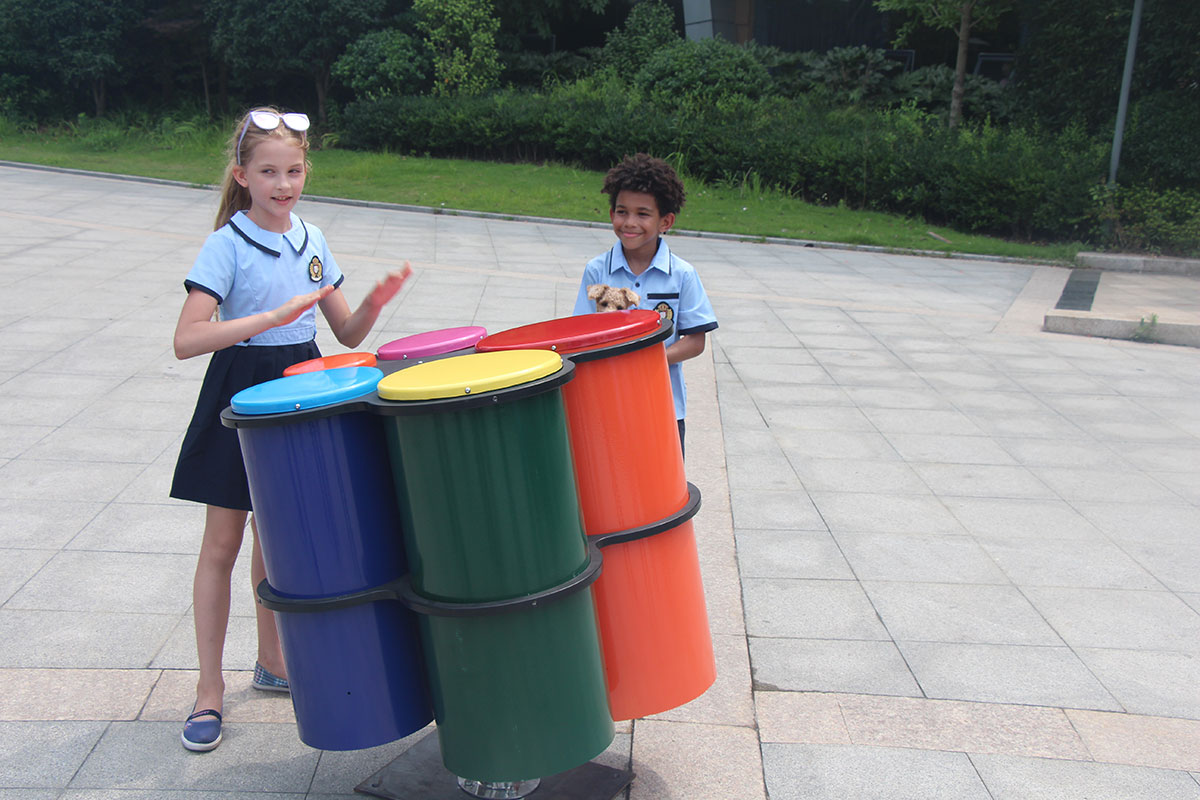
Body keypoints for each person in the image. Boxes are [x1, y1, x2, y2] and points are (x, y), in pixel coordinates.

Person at [169, 107, 412, 753]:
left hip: (302, 386)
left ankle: (273, 661)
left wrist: (375, 304)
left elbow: (348, 333)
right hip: (243, 387)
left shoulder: (312, 237)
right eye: (269, 171)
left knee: (275, 538)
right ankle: (209, 692)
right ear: (242, 175)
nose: (284, 183)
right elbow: (187, 339)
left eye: (294, 170)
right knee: (222, 543)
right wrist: (267, 316)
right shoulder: (227, 243)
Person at [572, 153, 717, 455]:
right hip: (606, 407)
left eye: (643, 214)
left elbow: (695, 341)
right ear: (611, 213)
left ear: (666, 221)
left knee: (664, 495)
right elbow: (581, 336)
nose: (629, 223)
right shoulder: (598, 271)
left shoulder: (682, 275)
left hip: (664, 407)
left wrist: (648, 361)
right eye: (622, 211)